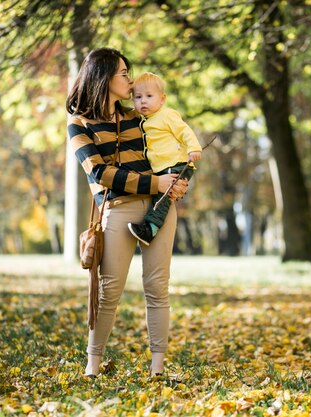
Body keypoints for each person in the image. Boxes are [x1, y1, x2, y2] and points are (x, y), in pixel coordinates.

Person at [65, 48, 188, 377]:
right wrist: (155, 184)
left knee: (157, 287)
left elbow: (166, 152)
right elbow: (100, 174)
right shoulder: (79, 125)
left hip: (160, 210)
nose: (130, 79)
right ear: (103, 76)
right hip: (118, 209)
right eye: (123, 73)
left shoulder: (140, 117)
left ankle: (158, 368)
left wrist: (177, 180)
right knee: (109, 291)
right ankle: (93, 363)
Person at [127, 72, 202, 246]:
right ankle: (149, 228)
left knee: (163, 197)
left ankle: (150, 229)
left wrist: (194, 148)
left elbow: (184, 131)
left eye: (149, 96)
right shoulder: (143, 120)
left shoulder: (167, 115)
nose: (143, 101)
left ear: (162, 99)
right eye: (138, 97)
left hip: (176, 164)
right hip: (162, 167)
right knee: (161, 196)